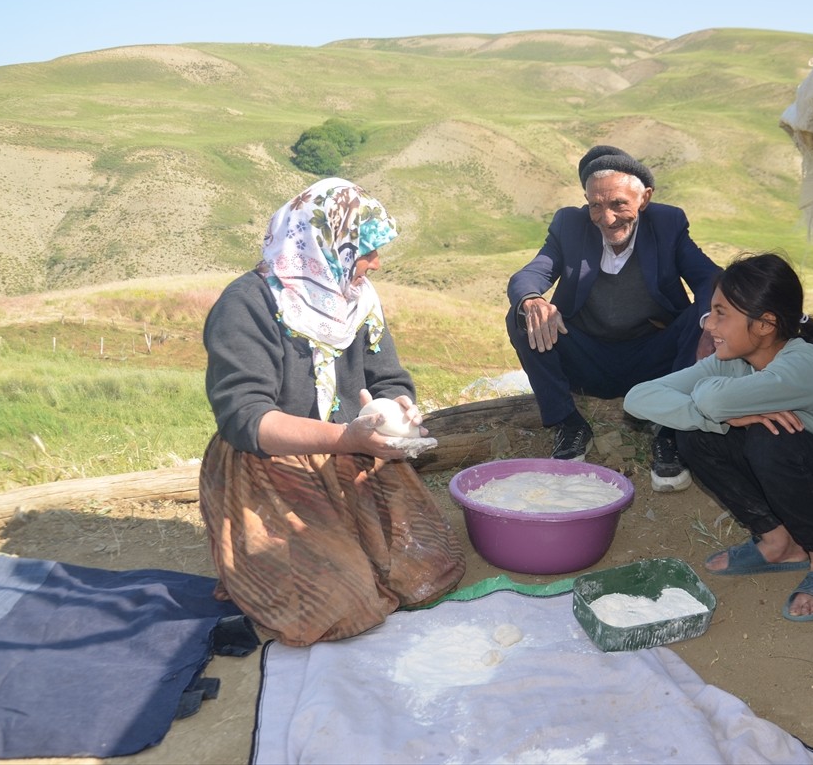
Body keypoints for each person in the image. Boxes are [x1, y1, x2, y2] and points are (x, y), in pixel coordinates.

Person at [198, 177, 465, 647]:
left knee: (427, 572)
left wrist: (402, 407)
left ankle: (345, 542)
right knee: (341, 606)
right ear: (328, 246)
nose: (376, 263)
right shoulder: (248, 305)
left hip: (353, 450)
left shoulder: (356, 300)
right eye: (366, 250)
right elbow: (246, 419)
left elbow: (387, 377)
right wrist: (346, 439)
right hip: (271, 465)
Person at [623, 253, 813, 622]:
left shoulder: (804, 365)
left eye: (721, 313)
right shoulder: (733, 361)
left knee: (770, 438)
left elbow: (713, 397)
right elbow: (638, 398)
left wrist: (725, 410)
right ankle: (780, 544)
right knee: (696, 435)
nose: (709, 325)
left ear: (764, 324)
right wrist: (719, 417)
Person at [506, 145, 721, 491]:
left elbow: (709, 278)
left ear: (645, 198)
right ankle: (569, 422)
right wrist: (532, 300)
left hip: (655, 359)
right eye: (595, 205)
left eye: (619, 203)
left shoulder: (668, 224)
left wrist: (711, 322)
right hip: (587, 358)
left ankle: (669, 430)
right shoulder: (569, 225)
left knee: (704, 313)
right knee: (521, 315)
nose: (606, 218)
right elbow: (529, 276)